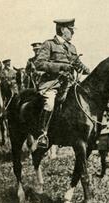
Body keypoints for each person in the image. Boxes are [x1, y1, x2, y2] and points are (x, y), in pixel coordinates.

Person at [34, 18, 90, 148]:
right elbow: (39, 63)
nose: (73, 33)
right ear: (63, 30)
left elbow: (76, 63)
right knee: (49, 103)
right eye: (71, 30)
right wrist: (60, 67)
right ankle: (43, 134)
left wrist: (86, 69)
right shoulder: (49, 44)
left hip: (69, 83)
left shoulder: (72, 47)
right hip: (52, 83)